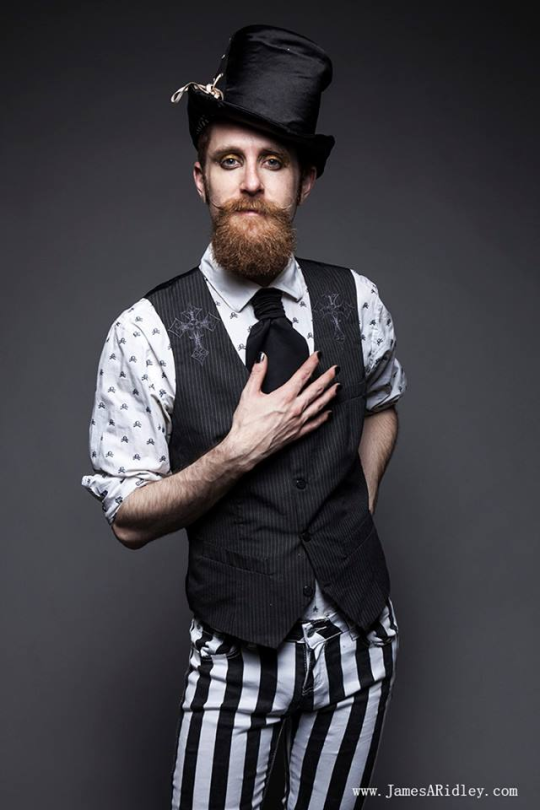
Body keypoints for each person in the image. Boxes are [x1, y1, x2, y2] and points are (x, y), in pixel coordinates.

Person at [82, 24, 408, 810]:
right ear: (201, 179)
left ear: (306, 181)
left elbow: (384, 404)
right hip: (237, 659)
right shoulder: (144, 332)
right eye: (230, 161)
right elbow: (127, 518)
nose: (252, 183)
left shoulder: (355, 299)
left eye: (275, 162)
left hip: (361, 647)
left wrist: (357, 507)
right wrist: (238, 450)